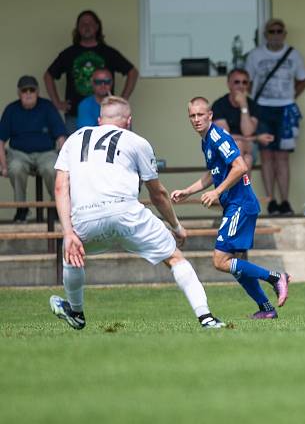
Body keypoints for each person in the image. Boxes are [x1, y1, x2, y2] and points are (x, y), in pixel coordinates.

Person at [48, 96, 225, 330]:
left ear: (100, 120)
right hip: (126, 212)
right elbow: (158, 194)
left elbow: (61, 187)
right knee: (174, 258)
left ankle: (76, 312)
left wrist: (68, 232)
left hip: (85, 216)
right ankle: (207, 318)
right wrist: (176, 226)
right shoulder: (136, 141)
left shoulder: (74, 139)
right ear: (129, 120)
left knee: (71, 254)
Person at [171, 97, 290, 319]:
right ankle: (266, 308)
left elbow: (241, 167)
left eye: (200, 115)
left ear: (210, 115)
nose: (196, 119)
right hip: (235, 205)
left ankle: (275, 277)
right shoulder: (206, 140)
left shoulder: (216, 136)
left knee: (220, 260)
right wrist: (188, 191)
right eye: (192, 116)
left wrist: (217, 192)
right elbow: (212, 173)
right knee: (234, 264)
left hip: (241, 205)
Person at [245, 18, 305, 215]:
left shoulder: (293, 55)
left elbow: (303, 80)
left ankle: (285, 201)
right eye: (271, 31)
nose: (276, 34)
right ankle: (271, 201)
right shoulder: (255, 55)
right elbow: (246, 81)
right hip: (262, 109)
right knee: (266, 156)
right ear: (265, 35)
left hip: (285, 110)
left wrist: (290, 97)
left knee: (282, 158)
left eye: (279, 31)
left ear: (284, 34)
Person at [44, 10, 139, 134]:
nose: (86, 27)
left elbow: (133, 72)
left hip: (109, 114)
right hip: (75, 115)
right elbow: (48, 76)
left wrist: (122, 100)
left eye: (90, 23)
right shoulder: (69, 54)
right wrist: (57, 103)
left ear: (97, 27)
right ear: (77, 28)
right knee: (79, 151)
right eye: (83, 24)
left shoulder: (108, 52)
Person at [0, 76, 66, 222]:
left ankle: (56, 207)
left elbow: (61, 137)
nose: (28, 93)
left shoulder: (47, 107)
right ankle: (21, 209)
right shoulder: (11, 109)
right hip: (19, 154)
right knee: (15, 168)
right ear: (19, 93)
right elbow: (1, 140)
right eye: (24, 90)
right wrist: (4, 166)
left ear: (38, 92)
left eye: (32, 90)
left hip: (46, 153)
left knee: (52, 167)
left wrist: (64, 162)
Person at [211, 68, 274, 169]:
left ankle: (237, 184)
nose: (241, 86)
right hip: (223, 149)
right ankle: (242, 185)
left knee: (243, 151)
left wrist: (244, 106)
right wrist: (256, 138)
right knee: (245, 156)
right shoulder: (219, 105)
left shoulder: (252, 105)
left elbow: (247, 131)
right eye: (237, 82)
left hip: (247, 147)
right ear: (229, 84)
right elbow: (225, 137)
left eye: (245, 82)